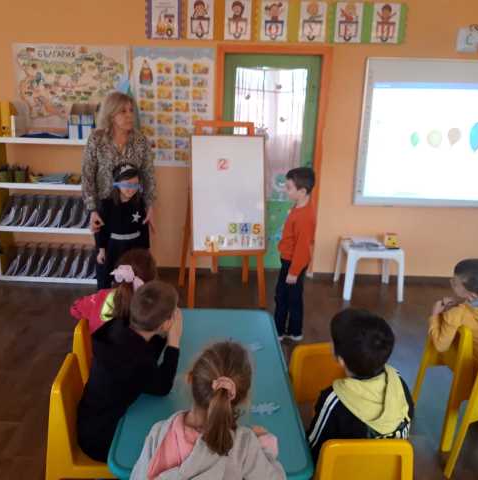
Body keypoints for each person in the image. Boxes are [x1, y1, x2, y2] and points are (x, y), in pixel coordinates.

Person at [130, 341, 286, 479]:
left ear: (190, 378)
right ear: (242, 399)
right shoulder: (244, 445)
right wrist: (266, 449)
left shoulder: (159, 433)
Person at [77, 280, 182, 462]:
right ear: (166, 323)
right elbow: (163, 387)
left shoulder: (119, 325)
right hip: (102, 441)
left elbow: (146, 350)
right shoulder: (136, 361)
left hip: (90, 422)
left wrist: (163, 334)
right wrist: (174, 342)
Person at [305, 308, 414, 462]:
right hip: (390, 470)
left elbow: (313, 449)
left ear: (341, 360)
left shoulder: (333, 400)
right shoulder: (398, 381)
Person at [82, 91, 156, 254]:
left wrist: (150, 206)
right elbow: (87, 176)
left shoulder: (140, 140)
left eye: (131, 110)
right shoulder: (96, 139)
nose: (129, 115)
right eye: (123, 111)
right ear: (111, 114)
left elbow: (148, 175)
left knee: (134, 259)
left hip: (133, 208)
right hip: (105, 209)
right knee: (107, 256)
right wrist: (92, 210)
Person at [69, 248, 157, 333]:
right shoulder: (154, 307)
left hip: (99, 343)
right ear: (152, 281)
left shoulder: (100, 297)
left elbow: (75, 309)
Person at [275, 167, 316, 342]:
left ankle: (279, 332)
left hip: (293, 263)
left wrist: (293, 271)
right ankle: (294, 331)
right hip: (291, 261)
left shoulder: (305, 217)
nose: (286, 190)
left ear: (302, 191)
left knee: (284, 297)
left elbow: (302, 248)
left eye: (289, 187)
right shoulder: (300, 206)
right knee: (291, 296)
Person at [94, 163, 150, 289]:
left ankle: (131, 298)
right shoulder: (106, 204)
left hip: (135, 247)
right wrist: (101, 250)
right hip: (114, 248)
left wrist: (146, 249)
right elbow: (100, 230)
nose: (131, 188)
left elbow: (144, 227)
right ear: (117, 184)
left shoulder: (140, 202)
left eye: (135, 184)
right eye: (127, 184)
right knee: (110, 277)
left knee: (135, 277)